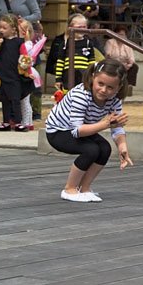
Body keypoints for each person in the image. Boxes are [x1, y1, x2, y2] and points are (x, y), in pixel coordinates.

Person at [45, 59, 133, 202]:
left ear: (119, 87)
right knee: (91, 150)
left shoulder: (114, 99)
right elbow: (77, 131)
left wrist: (122, 147)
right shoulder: (81, 95)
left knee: (104, 148)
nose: (104, 90)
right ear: (93, 78)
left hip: (82, 128)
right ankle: (69, 189)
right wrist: (106, 124)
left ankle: (84, 188)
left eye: (110, 87)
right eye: (100, 84)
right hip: (58, 131)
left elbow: (116, 126)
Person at [0, 14, 33, 132]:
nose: (1, 30)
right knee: (5, 99)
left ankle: (18, 121)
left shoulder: (19, 42)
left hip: (14, 75)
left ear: (13, 29)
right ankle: (6, 121)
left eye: (4, 28)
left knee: (15, 98)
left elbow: (24, 58)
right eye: (0, 27)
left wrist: (28, 72)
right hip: (1, 74)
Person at [53, 14, 102, 91]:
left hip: (84, 74)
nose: (82, 30)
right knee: (68, 92)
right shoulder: (65, 43)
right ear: (70, 28)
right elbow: (60, 62)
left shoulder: (88, 43)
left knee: (83, 92)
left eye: (84, 27)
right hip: (68, 74)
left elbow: (91, 61)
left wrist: (92, 75)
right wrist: (58, 79)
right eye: (79, 27)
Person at [103, 25, 139, 90]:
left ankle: (128, 86)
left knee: (134, 67)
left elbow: (131, 59)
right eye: (119, 34)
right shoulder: (110, 42)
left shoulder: (127, 43)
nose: (121, 37)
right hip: (114, 64)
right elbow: (108, 55)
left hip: (125, 65)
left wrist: (129, 65)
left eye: (123, 35)